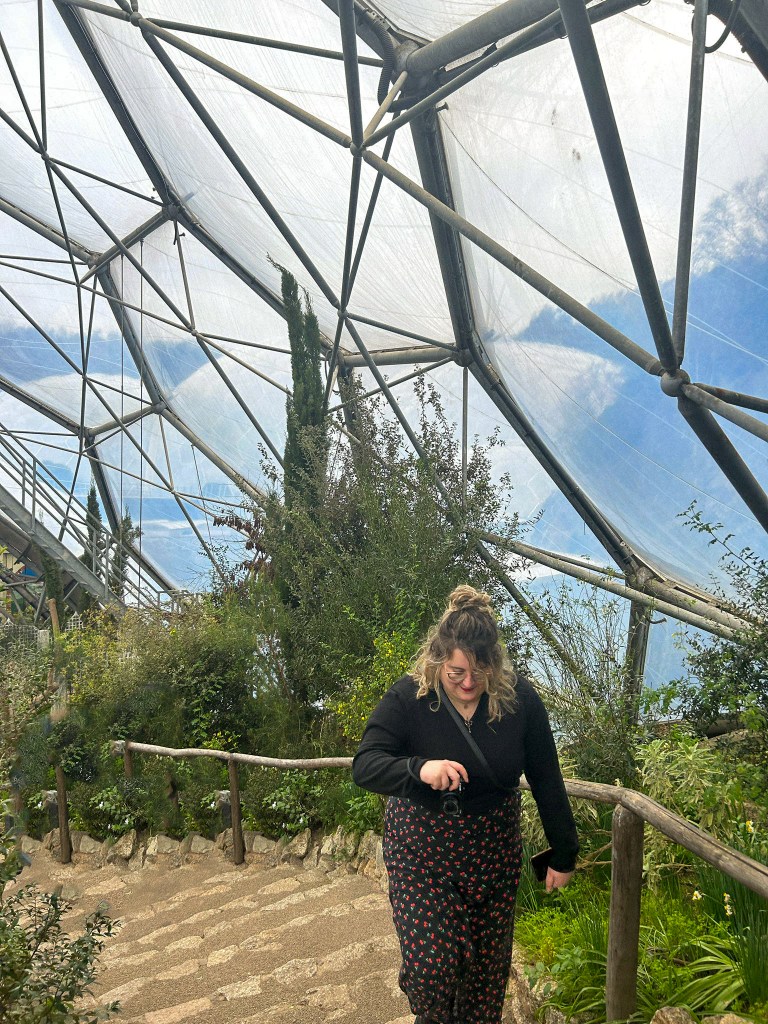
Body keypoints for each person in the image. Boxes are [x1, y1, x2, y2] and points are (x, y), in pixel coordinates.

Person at [352, 585, 578, 1024]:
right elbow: (366, 764)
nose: (469, 684)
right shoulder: (409, 697)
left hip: (493, 852)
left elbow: (547, 778)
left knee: (484, 987)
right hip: (422, 850)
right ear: (437, 660)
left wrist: (564, 853)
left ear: (495, 662)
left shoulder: (520, 701)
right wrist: (419, 769)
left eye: (480, 672)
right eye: (456, 673)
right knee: (432, 970)